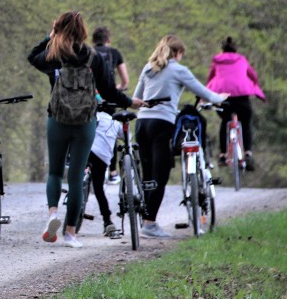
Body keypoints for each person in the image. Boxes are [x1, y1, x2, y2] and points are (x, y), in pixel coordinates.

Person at [27, 11, 142, 248]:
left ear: (59, 29)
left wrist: (51, 37)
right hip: (85, 121)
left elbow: (32, 57)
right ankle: (70, 233)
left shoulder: (55, 54)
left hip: (57, 118)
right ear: (83, 31)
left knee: (55, 173)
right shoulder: (93, 56)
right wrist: (130, 102)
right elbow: (109, 90)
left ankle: (52, 214)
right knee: (77, 176)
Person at [133, 34, 228, 238]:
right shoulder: (178, 69)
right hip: (162, 124)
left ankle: (144, 219)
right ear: (178, 53)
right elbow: (203, 92)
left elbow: (137, 97)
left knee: (147, 174)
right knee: (161, 174)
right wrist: (220, 98)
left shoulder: (148, 67)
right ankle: (149, 225)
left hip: (141, 123)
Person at [206, 36, 265, 171]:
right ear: (235, 49)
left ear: (222, 49)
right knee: (246, 123)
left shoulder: (217, 61)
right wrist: (254, 84)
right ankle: (248, 153)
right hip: (242, 96)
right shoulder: (242, 59)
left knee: (225, 122)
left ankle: (222, 155)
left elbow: (211, 77)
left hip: (223, 97)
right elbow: (253, 75)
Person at [92, 26, 129, 185]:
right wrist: (119, 89)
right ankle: (113, 172)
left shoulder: (88, 53)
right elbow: (125, 80)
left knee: (90, 127)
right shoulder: (115, 53)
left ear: (93, 40)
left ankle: (87, 167)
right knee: (111, 130)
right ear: (108, 40)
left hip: (90, 97)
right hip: (109, 98)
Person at [89, 98, 124, 236]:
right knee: (98, 189)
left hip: (86, 151)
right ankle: (107, 220)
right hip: (101, 158)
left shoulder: (92, 117)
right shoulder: (115, 122)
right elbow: (127, 137)